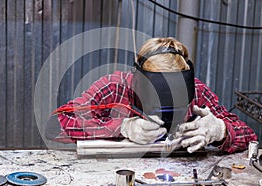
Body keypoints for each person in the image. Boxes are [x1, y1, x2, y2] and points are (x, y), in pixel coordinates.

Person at [53, 37, 257, 154]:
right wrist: (122, 127)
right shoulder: (115, 87)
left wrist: (220, 130)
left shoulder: (196, 91)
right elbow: (61, 122)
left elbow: (249, 137)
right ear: (137, 80)